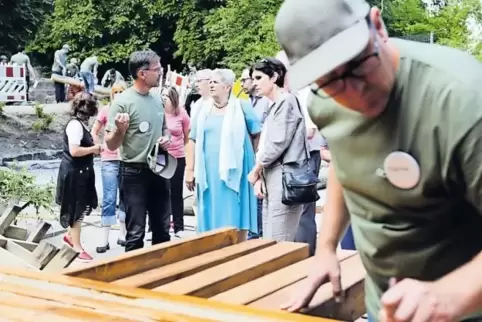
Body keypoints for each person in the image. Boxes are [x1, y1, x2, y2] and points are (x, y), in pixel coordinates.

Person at [275, 0, 482, 321]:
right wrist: (326, 248)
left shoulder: (464, 101)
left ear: (378, 26)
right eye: (330, 80)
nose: (354, 93)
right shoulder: (323, 101)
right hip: (382, 306)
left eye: (358, 65)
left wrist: (449, 294)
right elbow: (346, 165)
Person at [105, 50, 171, 252]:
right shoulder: (122, 102)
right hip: (133, 172)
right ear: (142, 73)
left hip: (159, 169)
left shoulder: (157, 99)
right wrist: (120, 130)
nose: (160, 73)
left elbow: (164, 127)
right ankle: (133, 280)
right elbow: (110, 144)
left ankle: (163, 277)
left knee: (162, 229)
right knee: (135, 232)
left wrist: (166, 137)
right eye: (157, 69)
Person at [186, 69, 261, 239]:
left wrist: (253, 160)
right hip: (209, 171)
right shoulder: (202, 108)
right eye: (210, 81)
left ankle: (237, 249)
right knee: (210, 209)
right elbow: (192, 138)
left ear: (227, 87)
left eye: (216, 82)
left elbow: (257, 133)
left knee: (235, 211)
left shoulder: (241, 106)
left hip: (237, 169)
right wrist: (189, 169)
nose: (211, 84)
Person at [247, 58, 309, 242]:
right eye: (252, 78)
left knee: (280, 240)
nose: (254, 83)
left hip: (285, 177)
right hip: (273, 176)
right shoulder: (273, 104)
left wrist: (255, 171)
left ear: (274, 77)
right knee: (270, 238)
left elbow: (276, 144)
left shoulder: (286, 101)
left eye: (259, 77)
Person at [276, 50, 322, 256]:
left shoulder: (305, 92)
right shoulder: (285, 94)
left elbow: (310, 131)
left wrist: (282, 137)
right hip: (288, 157)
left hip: (304, 158)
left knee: (303, 211)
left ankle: (305, 255)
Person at [56, 92, 100, 262]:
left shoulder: (81, 124)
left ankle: (69, 236)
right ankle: (77, 247)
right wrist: (93, 149)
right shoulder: (75, 125)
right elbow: (74, 151)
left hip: (81, 172)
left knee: (79, 207)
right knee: (76, 209)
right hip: (74, 173)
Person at [91, 82, 128, 253]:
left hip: (126, 158)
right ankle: (104, 238)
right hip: (109, 159)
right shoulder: (106, 110)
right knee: (109, 197)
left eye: (121, 91)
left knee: (126, 196)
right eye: (115, 92)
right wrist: (98, 146)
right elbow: (94, 130)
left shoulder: (129, 110)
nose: (118, 94)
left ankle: (123, 233)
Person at [161, 86, 191, 238]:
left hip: (178, 157)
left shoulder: (182, 113)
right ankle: (157, 226)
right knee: (159, 192)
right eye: (162, 95)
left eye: (167, 95)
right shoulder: (158, 113)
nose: (164, 98)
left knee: (176, 192)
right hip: (161, 157)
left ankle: (179, 226)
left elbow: (187, 137)